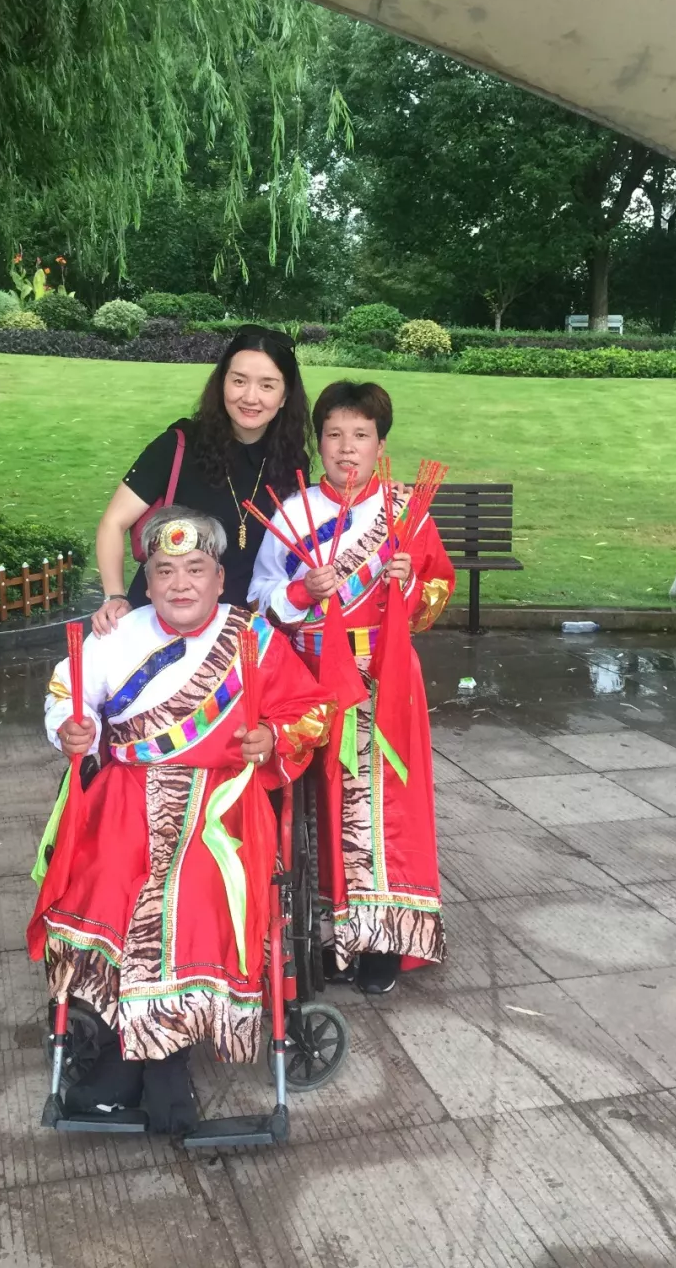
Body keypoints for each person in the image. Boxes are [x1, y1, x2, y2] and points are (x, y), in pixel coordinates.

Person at [28, 507, 332, 1133]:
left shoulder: (255, 638)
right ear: (147, 582)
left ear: (220, 579)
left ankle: (137, 1071)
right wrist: (73, 729)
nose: (180, 583)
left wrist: (274, 738)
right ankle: (154, 1071)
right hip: (123, 797)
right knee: (107, 878)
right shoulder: (117, 635)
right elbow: (67, 695)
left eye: (196, 569)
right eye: (164, 571)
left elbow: (311, 712)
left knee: (191, 890)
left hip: (221, 808)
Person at [248, 380, 454, 995]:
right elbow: (259, 603)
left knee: (382, 807)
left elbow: (432, 601)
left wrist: (406, 581)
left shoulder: (406, 511)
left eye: (360, 435)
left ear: (380, 446)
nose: (346, 448)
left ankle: (382, 940)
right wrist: (299, 591)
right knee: (315, 808)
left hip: (384, 677)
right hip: (309, 677)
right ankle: (325, 937)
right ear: (318, 442)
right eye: (334, 434)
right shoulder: (293, 512)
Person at [90, 325, 312, 633]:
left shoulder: (292, 463)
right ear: (222, 384)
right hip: (162, 624)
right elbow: (113, 522)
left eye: (267, 385)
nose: (250, 397)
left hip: (245, 631)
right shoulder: (177, 445)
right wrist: (115, 596)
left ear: (285, 396)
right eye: (239, 381)